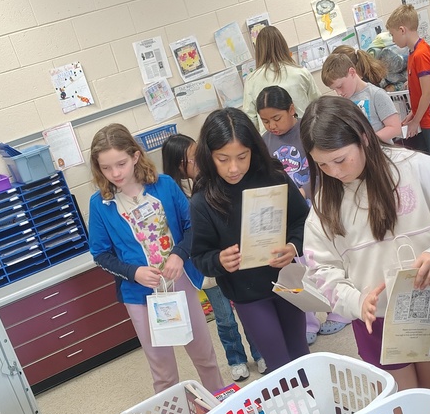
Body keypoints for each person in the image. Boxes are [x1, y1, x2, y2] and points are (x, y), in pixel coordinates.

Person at [300, 97, 430, 394]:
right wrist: (356, 301)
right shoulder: (324, 204)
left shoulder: (416, 168)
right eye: (322, 165)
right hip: (375, 321)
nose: (335, 172)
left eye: (341, 159)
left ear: (365, 138)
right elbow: (320, 270)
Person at [88, 123, 223, 395]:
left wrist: (179, 254)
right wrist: (133, 272)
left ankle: (221, 409)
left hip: (179, 283)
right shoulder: (99, 203)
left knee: (205, 357)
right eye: (106, 168)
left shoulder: (164, 185)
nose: (115, 173)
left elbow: (193, 227)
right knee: (162, 373)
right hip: (139, 296)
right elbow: (100, 254)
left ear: (136, 156)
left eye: (121, 164)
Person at [190, 107, 310, 373]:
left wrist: (292, 246)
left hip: (286, 283)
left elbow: (302, 220)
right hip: (248, 294)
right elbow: (200, 256)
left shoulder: (273, 177)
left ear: (253, 150)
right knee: (278, 365)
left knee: (301, 354)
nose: (234, 168)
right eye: (223, 159)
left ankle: (315, 409)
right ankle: (290, 410)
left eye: (242, 157)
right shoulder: (203, 199)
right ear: (209, 156)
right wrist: (219, 260)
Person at [161, 133, 266, 380]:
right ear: (179, 165)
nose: (200, 160)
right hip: (207, 267)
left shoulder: (215, 180)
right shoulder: (175, 193)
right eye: (192, 158)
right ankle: (236, 359)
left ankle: (260, 352)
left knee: (248, 309)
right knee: (224, 317)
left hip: (232, 259)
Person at [256, 85, 349, 345]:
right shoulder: (265, 141)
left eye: (276, 118)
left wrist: (304, 190)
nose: (272, 125)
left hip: (319, 206)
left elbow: (322, 169)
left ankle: (339, 311)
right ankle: (308, 319)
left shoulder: (308, 131)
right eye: (265, 121)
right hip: (290, 216)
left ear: (291, 109)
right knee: (297, 266)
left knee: (327, 260)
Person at [386, 3, 430, 160]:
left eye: (392, 35)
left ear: (402, 30)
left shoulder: (420, 54)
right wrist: (414, 113)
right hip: (427, 117)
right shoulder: (413, 53)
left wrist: (415, 121)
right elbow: (420, 91)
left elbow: (428, 93)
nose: (393, 40)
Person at [242, 24, 320, 131]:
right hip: (304, 133)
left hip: (271, 141)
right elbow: (318, 106)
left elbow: (250, 120)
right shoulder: (301, 72)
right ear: (283, 45)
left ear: (259, 50)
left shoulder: (252, 79)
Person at [321, 51, 402, 143]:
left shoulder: (376, 94)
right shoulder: (344, 101)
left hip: (381, 152)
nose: (338, 92)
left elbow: (395, 128)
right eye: (334, 89)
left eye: (340, 86)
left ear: (352, 72)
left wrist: (367, 141)